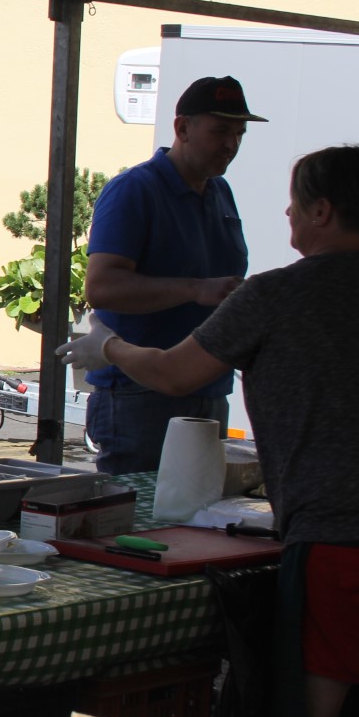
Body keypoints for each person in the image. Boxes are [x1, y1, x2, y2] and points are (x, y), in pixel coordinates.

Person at [59, 145, 359, 717]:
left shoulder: (274, 296)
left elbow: (171, 374)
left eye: (296, 200)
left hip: (336, 548)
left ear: (322, 211)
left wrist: (109, 345)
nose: (286, 211)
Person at [82, 75, 263, 474]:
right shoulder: (134, 190)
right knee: (135, 516)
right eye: (220, 131)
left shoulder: (220, 192)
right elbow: (101, 287)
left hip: (208, 385)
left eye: (239, 133)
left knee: (194, 514)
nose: (231, 144)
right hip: (138, 391)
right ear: (182, 128)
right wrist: (196, 290)